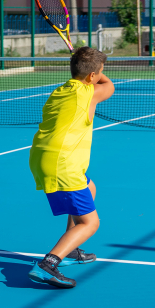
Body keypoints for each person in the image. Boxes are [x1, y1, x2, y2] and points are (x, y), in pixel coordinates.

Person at [27, 47, 115, 288]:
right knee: (91, 223)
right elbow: (109, 86)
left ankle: (71, 249)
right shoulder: (88, 93)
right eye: (100, 72)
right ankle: (49, 264)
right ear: (91, 76)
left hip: (44, 157)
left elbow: (96, 79)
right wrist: (96, 70)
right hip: (62, 164)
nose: (101, 75)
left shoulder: (63, 89)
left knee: (90, 186)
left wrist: (89, 65)